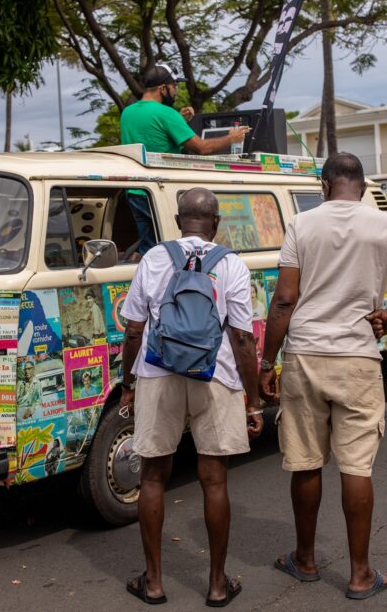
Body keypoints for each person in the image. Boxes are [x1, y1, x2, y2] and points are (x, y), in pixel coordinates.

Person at [258, 153, 387, 600]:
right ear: (362, 188)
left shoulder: (302, 225)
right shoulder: (385, 224)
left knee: (306, 461)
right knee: (356, 466)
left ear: (324, 185)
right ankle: (360, 574)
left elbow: (285, 300)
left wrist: (267, 363)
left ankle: (304, 558)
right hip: (360, 358)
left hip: (306, 354)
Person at [118, 187, 264, 606]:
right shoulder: (232, 264)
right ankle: (218, 585)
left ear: (178, 221)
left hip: (158, 373)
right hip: (215, 374)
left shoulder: (154, 258)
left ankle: (155, 582)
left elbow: (133, 329)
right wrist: (251, 399)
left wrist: (129, 384)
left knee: (151, 478)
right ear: (215, 223)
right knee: (214, 481)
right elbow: (240, 337)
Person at [119, 64, 249, 259]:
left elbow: (153, 139)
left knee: (150, 247)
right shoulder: (166, 113)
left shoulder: (128, 113)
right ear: (162, 88)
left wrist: (179, 121)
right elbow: (202, 148)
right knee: (172, 252)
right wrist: (232, 138)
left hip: (136, 191)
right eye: (174, 86)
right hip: (162, 191)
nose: (176, 91)